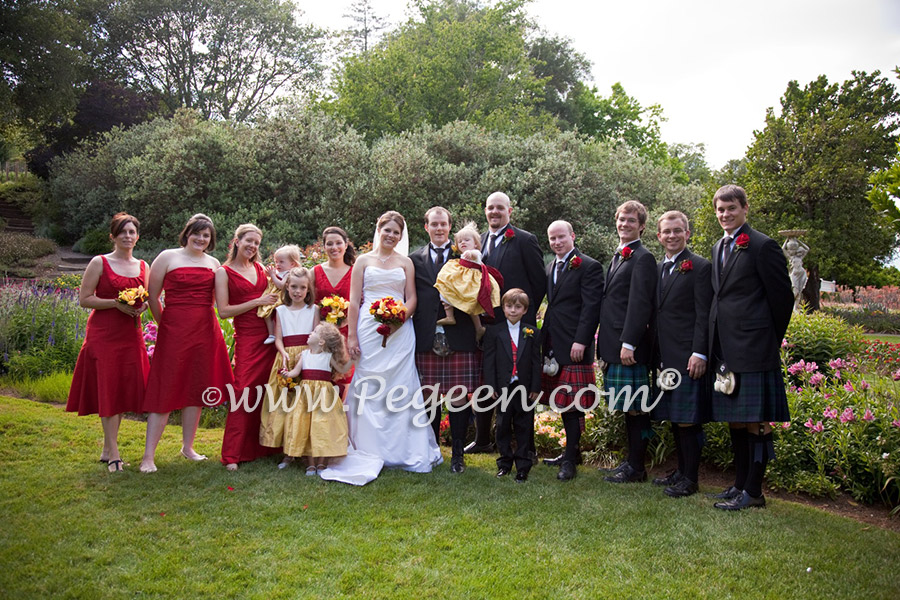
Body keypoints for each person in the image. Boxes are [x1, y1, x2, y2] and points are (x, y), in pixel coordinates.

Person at [320, 211, 443, 485]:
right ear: (379, 230)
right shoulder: (363, 261)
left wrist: (400, 318)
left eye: (396, 232)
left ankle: (403, 448)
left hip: (400, 332)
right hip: (367, 329)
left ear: (401, 236)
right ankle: (367, 447)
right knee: (368, 382)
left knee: (402, 384)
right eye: (386, 230)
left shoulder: (406, 262)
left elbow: (411, 298)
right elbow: (353, 301)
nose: (391, 235)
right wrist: (351, 337)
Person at [708, 185, 793, 510]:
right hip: (727, 348)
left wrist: (768, 338)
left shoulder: (762, 245)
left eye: (731, 208)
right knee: (737, 419)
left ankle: (754, 492)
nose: (725, 214)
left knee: (757, 420)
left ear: (745, 208)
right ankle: (740, 484)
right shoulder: (719, 246)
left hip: (755, 347)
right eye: (720, 209)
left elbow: (782, 298)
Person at [140, 214, 234, 473]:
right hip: (174, 331)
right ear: (187, 233)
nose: (201, 239)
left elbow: (218, 300)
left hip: (205, 330)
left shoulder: (214, 263)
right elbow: (153, 296)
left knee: (197, 386)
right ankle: (148, 456)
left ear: (211, 239)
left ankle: (188, 447)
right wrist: (165, 324)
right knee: (165, 387)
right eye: (197, 233)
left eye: (206, 235)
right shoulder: (167, 257)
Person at [66, 212, 150, 473]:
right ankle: (114, 453)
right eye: (123, 232)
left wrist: (141, 306)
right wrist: (115, 303)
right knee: (108, 389)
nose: (128, 236)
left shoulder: (143, 266)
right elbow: (85, 299)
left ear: (137, 236)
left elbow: (145, 297)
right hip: (104, 335)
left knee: (121, 389)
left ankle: (106, 447)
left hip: (130, 333)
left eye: (132, 232)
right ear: (113, 236)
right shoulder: (99, 262)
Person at [472, 191, 546, 454]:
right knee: (486, 380)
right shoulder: (478, 241)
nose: (494, 212)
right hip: (486, 325)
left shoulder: (525, 240)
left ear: (509, 211)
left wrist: (526, 316)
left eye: (500, 208)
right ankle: (483, 441)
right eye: (490, 208)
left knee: (520, 385)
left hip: (516, 325)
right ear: (485, 210)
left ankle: (528, 448)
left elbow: (539, 282)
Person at [411, 207, 483, 473]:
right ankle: (432, 451)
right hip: (426, 335)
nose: (439, 228)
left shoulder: (463, 255)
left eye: (444, 224)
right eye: (434, 224)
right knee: (428, 399)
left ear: (449, 227)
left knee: (459, 398)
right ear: (426, 227)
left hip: (459, 333)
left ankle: (457, 455)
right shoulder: (413, 259)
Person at [651, 210, 712, 497]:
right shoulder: (659, 267)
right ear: (659, 236)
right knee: (676, 417)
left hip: (688, 355)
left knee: (688, 417)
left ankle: (691, 479)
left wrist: (699, 352)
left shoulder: (699, 266)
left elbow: (704, 314)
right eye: (667, 231)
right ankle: (680, 471)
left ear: (687, 234)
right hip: (665, 355)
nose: (672, 236)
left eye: (678, 230)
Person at [597, 200, 657, 484]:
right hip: (614, 342)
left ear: (642, 226)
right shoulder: (620, 255)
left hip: (628, 345)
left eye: (631, 220)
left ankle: (636, 468)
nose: (625, 224)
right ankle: (631, 463)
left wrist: (629, 342)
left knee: (636, 407)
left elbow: (640, 304)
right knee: (628, 407)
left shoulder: (643, 257)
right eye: (621, 219)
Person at [539, 220, 603, 482]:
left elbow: (591, 307)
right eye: (552, 238)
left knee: (574, 405)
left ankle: (570, 459)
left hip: (575, 344)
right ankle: (571, 453)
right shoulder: (550, 266)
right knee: (562, 402)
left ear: (572, 236)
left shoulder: (589, 266)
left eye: (561, 237)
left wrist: (582, 340)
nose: (556, 242)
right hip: (554, 341)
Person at [215, 224, 281, 471]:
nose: (252, 246)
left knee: (269, 392)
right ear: (237, 241)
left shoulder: (261, 269)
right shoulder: (224, 272)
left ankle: (267, 447)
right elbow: (223, 311)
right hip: (248, 339)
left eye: (256, 243)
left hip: (271, 337)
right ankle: (233, 453)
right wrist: (258, 301)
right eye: (248, 241)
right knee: (243, 392)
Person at [483, 289, 541, 482]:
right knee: (502, 425)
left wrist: (535, 387)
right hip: (503, 387)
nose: (513, 310)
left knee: (524, 425)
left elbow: (535, 361)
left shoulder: (531, 331)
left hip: (524, 387)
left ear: (525, 310)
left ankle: (523, 466)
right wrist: (491, 386)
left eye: (518, 307)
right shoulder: (495, 331)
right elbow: (489, 361)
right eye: (509, 306)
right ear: (504, 307)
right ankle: (505, 463)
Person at [258, 267, 317, 460]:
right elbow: (278, 338)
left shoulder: (313, 309)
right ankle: (286, 452)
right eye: (293, 287)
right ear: (287, 288)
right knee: (284, 402)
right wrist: (282, 352)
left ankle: (304, 448)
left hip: (307, 357)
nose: (297, 292)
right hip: (285, 359)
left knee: (304, 403)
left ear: (308, 290)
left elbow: (316, 336)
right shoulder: (281, 310)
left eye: (302, 288)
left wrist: (307, 354)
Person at [279, 322, 352, 475]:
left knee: (322, 428)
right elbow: (295, 372)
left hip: (324, 397)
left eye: (314, 332)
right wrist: (288, 374)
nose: (310, 333)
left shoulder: (328, 357)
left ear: (321, 341)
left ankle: (322, 463)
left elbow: (343, 369)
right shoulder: (304, 355)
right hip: (305, 396)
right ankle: (310, 464)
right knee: (306, 427)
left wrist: (354, 359)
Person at [433, 222, 502, 342]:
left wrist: (470, 253)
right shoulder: (458, 257)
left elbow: (476, 255)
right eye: (460, 241)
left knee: (470, 304)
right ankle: (450, 316)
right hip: (462, 277)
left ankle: (479, 327)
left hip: (471, 281)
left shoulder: (475, 253)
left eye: (466, 240)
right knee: (444, 289)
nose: (463, 242)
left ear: (475, 243)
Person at [313, 226, 356, 396]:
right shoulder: (314, 272)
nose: (334, 247)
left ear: (346, 245)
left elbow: (359, 304)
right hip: (321, 335)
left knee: (343, 384)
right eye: (329, 244)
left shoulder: (355, 272)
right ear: (323, 247)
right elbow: (310, 304)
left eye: (338, 243)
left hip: (347, 335)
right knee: (322, 381)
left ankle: (343, 421)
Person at [258, 245, 303, 344]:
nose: (278, 264)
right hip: (275, 296)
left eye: (281, 262)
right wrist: (269, 275)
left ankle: (277, 333)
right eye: (276, 262)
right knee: (266, 312)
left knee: (273, 312)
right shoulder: (279, 272)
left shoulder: (289, 274)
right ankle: (272, 334)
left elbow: (281, 286)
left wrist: (273, 275)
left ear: (292, 264)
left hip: (283, 298)